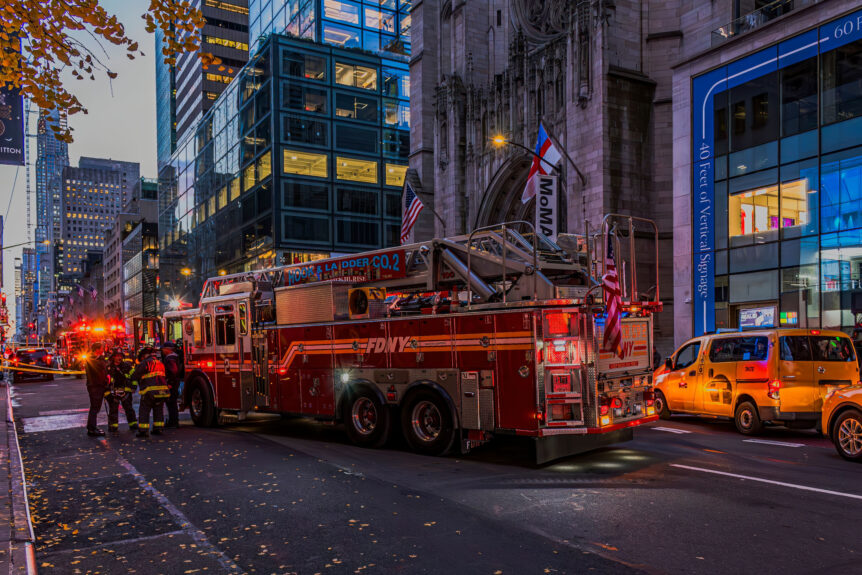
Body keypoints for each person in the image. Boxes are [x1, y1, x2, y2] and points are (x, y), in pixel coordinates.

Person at [130, 346, 170, 438]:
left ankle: (143, 431)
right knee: (158, 410)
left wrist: (131, 378)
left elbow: (135, 375)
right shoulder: (160, 363)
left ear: (144, 356)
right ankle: (158, 428)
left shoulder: (145, 363)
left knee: (144, 411)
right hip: (162, 391)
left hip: (149, 391)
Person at [105, 349, 138, 432]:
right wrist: (106, 392)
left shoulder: (127, 366)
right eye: (117, 356)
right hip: (113, 392)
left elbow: (134, 376)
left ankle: (133, 424)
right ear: (113, 357)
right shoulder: (108, 367)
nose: (119, 357)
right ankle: (113, 426)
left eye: (121, 356)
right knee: (113, 409)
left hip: (125, 391)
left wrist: (134, 387)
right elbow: (104, 380)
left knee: (129, 408)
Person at [83, 342, 108, 437]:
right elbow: (101, 366)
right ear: (97, 349)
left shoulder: (94, 358)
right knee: (95, 407)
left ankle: (93, 426)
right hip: (95, 386)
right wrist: (102, 359)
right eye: (102, 348)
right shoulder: (92, 359)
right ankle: (92, 429)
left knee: (96, 407)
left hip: (98, 385)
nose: (103, 350)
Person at [161, 341, 181, 428]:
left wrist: (170, 383)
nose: (162, 351)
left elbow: (173, 371)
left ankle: (173, 422)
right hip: (175, 383)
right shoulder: (175, 357)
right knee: (172, 404)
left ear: (168, 349)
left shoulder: (170, 358)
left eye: (163, 349)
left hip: (172, 385)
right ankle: (174, 421)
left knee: (171, 404)